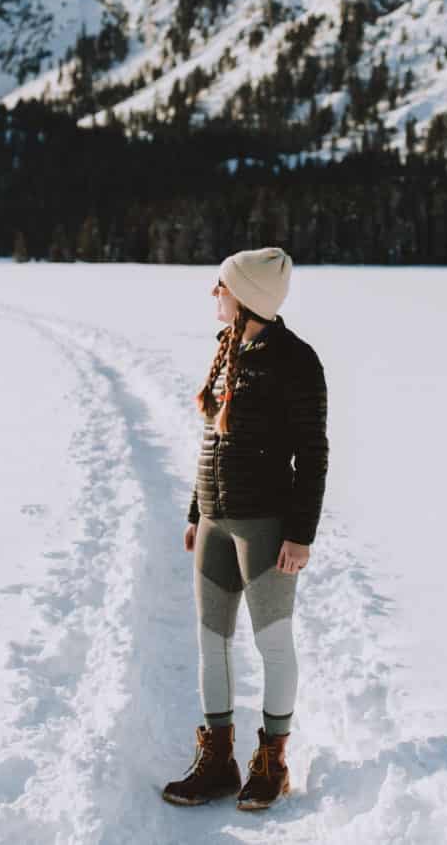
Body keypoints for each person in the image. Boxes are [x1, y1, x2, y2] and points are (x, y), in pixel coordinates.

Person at [160, 245, 329, 812]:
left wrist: (300, 534)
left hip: (266, 524)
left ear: (248, 297)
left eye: (222, 286)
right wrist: (195, 511)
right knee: (212, 643)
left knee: (271, 642)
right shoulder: (228, 348)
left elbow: (313, 454)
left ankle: (272, 761)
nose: (215, 293)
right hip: (214, 521)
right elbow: (213, 440)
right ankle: (218, 761)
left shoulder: (296, 361)